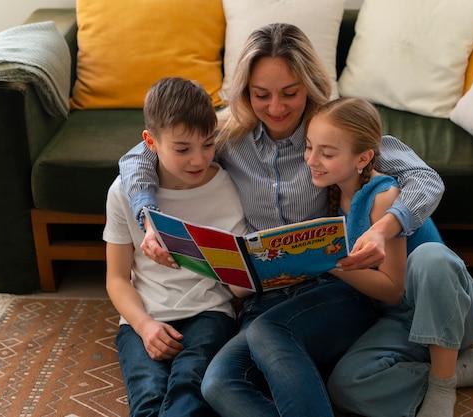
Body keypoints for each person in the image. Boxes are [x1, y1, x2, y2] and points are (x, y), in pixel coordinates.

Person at [118, 23, 445, 417]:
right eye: (261, 95)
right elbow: (140, 155)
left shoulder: (333, 133)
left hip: (333, 288)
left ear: (309, 85)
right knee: (218, 383)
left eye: (290, 93)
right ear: (244, 93)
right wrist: (146, 215)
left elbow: (424, 179)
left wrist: (383, 227)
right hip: (264, 296)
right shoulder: (227, 138)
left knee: (268, 334)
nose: (276, 107)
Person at [304, 96, 473, 417]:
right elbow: (393, 303)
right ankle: (457, 371)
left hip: (452, 309)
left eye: (326, 153)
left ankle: (442, 386)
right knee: (345, 384)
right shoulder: (332, 190)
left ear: (363, 158)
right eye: (309, 147)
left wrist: (328, 262)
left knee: (429, 256)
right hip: (403, 320)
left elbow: (393, 289)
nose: (312, 159)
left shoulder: (383, 196)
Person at [103, 77, 252, 417]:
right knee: (148, 396)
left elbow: (236, 285)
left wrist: (251, 274)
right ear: (150, 142)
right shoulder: (122, 193)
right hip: (144, 316)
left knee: (189, 387)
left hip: (210, 312)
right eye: (182, 149)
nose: (198, 160)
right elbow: (116, 278)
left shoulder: (226, 188)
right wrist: (143, 325)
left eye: (208, 144)